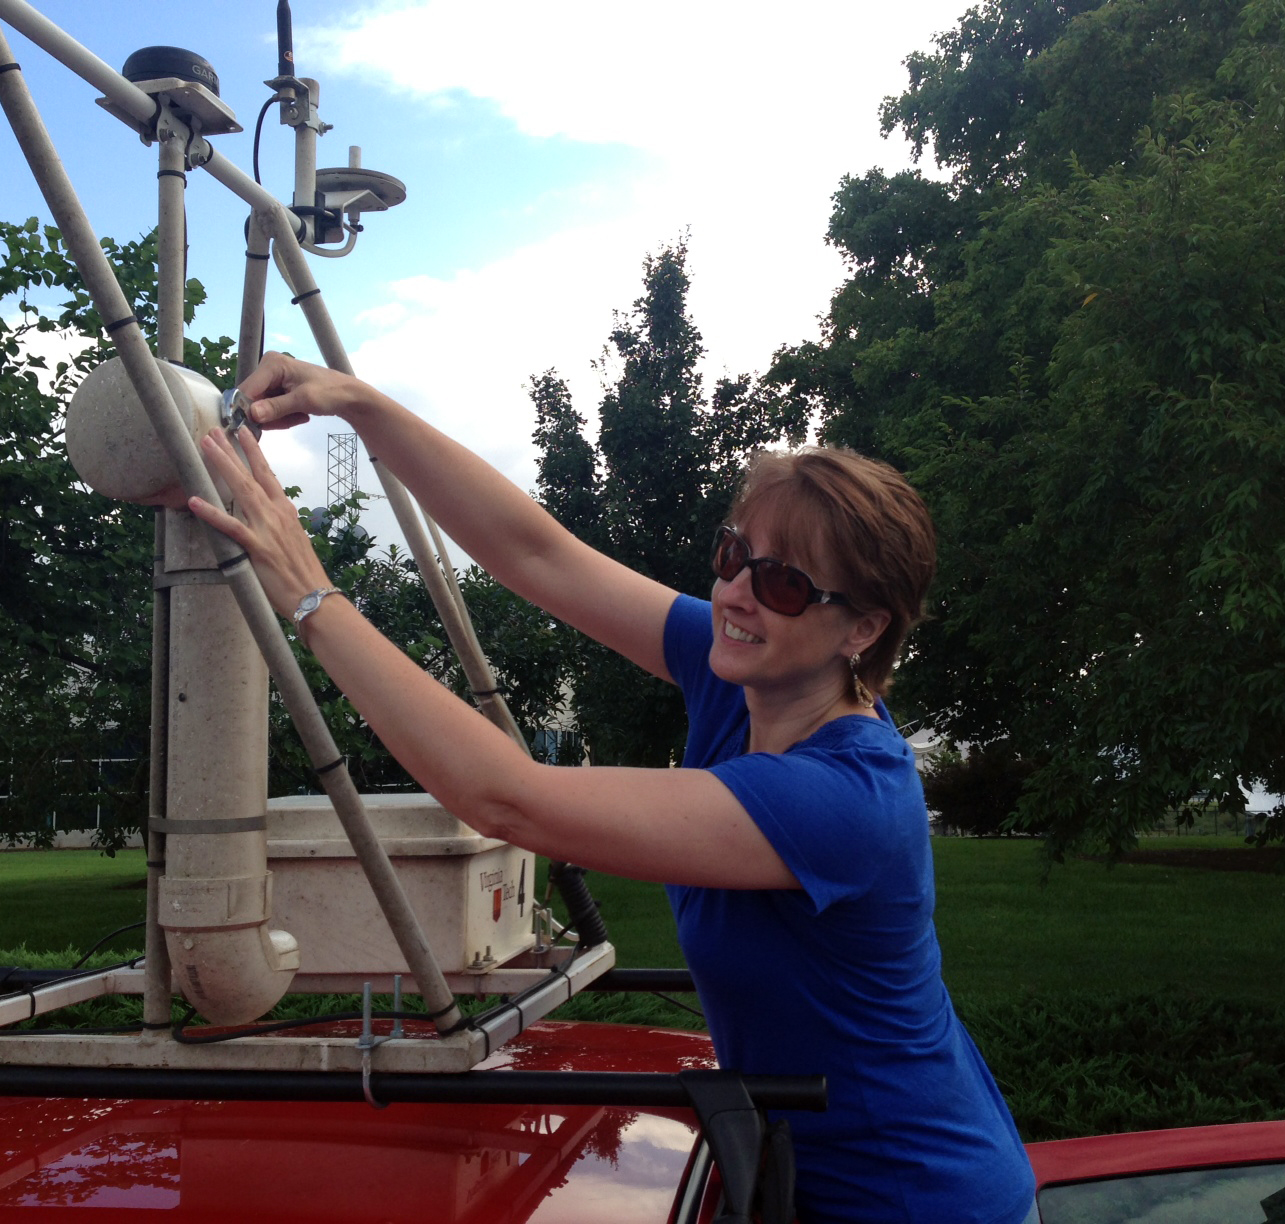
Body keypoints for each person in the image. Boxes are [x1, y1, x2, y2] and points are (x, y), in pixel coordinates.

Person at [189, 352, 1037, 1224]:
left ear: (861, 628)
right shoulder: (745, 673)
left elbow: (507, 798)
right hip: (803, 1178)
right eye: (736, 554)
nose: (739, 594)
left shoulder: (845, 799)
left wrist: (310, 596)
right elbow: (538, 554)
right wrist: (363, 405)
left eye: (784, 583)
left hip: (918, 1199)